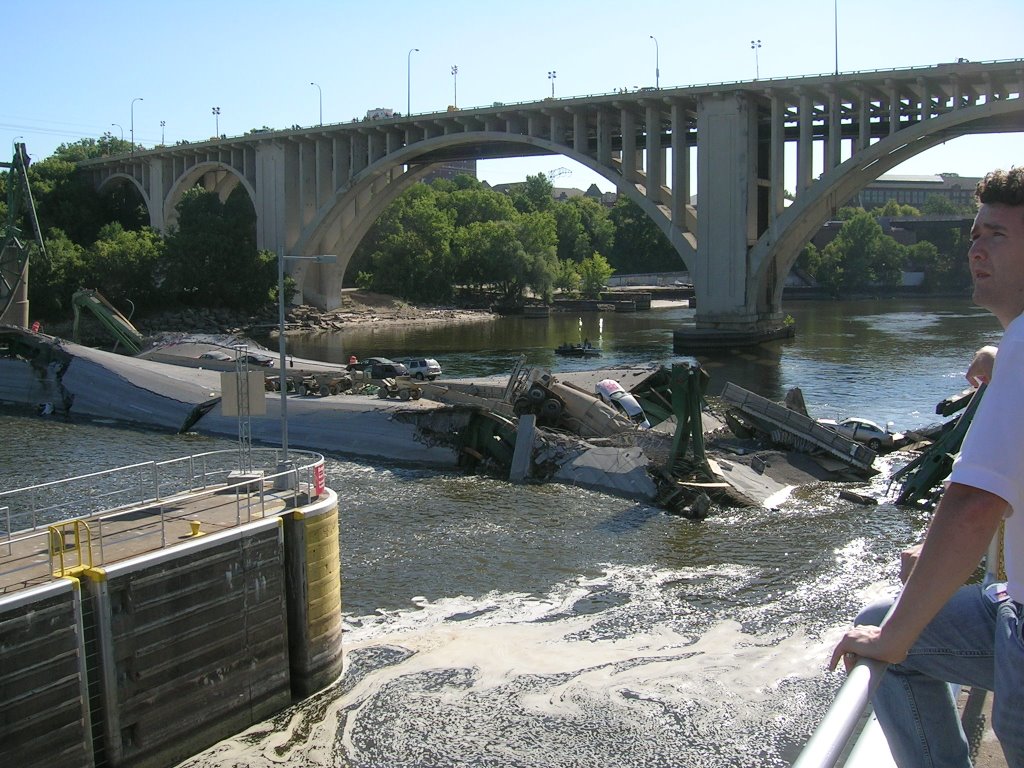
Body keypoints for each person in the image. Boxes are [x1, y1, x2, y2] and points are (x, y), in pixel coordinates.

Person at [830, 167, 1024, 768]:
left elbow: (973, 507)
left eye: (996, 234)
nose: (974, 248)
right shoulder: (1015, 350)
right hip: (1011, 597)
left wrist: (895, 640)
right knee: (884, 619)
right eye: (974, 233)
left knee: (891, 640)